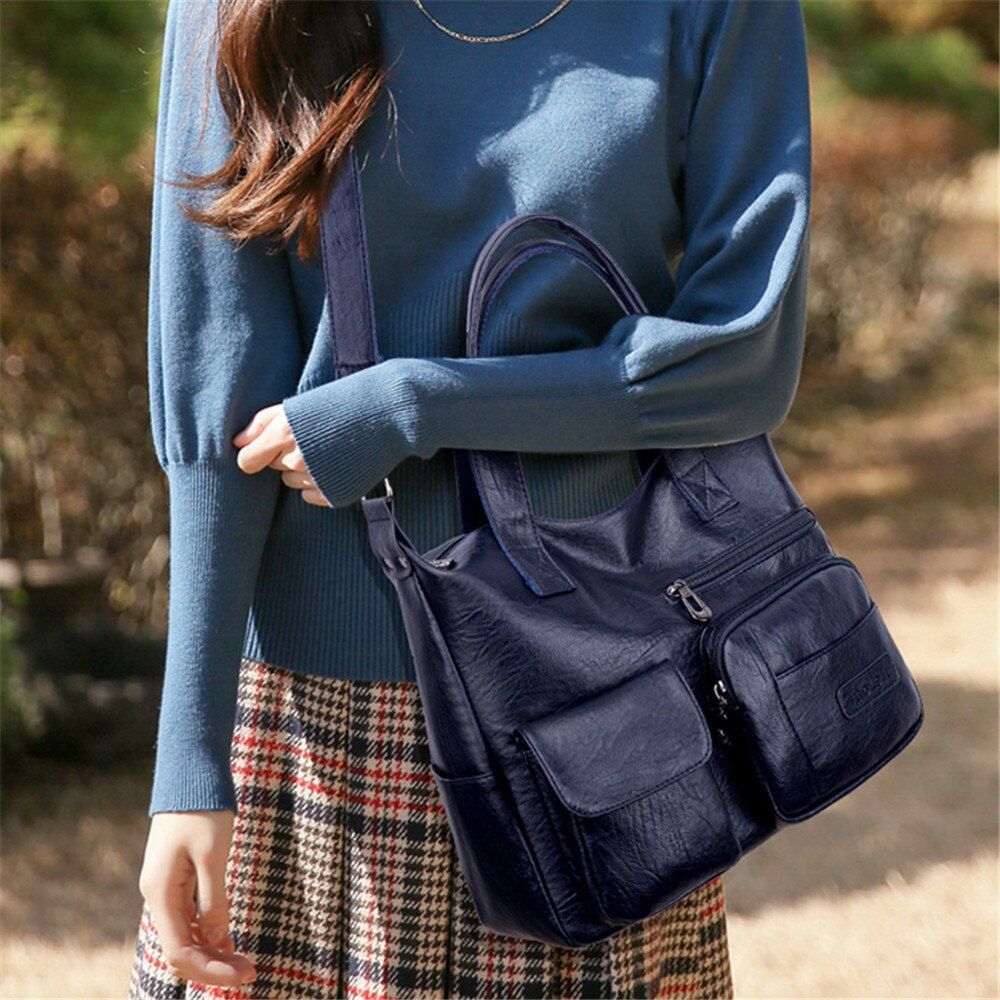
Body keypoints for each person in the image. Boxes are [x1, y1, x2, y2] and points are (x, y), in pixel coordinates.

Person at [129, 1, 811, 996]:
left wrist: (419, 402)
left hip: (596, 706)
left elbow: (741, 359)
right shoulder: (234, 9)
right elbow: (215, 398)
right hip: (310, 728)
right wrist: (190, 764)